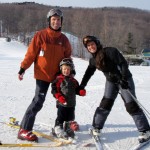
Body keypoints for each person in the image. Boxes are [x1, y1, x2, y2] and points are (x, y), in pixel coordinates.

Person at [79, 35, 150, 143]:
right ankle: (96, 127)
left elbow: (123, 64)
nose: (90, 47)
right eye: (88, 46)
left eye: (92, 44)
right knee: (105, 103)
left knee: (131, 105)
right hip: (111, 81)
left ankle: (145, 130)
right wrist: (82, 85)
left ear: (97, 43)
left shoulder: (110, 51)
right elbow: (88, 73)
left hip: (124, 80)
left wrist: (124, 78)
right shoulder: (93, 60)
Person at [17, 8, 72, 142]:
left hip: (58, 77)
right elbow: (31, 54)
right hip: (42, 75)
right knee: (38, 102)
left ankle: (61, 125)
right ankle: (24, 129)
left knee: (63, 101)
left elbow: (68, 58)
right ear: (49, 21)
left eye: (58, 20)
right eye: (53, 20)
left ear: (61, 22)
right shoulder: (40, 36)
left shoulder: (64, 39)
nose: (56, 22)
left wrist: (69, 71)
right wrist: (23, 68)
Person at [51, 58, 86, 139]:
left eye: (68, 69)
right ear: (61, 69)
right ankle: (58, 128)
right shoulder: (58, 80)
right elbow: (54, 90)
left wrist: (80, 92)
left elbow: (77, 89)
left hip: (71, 104)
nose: (66, 71)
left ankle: (68, 128)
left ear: (71, 70)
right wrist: (59, 97)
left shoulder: (74, 81)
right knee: (61, 117)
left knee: (70, 117)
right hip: (61, 103)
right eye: (64, 69)